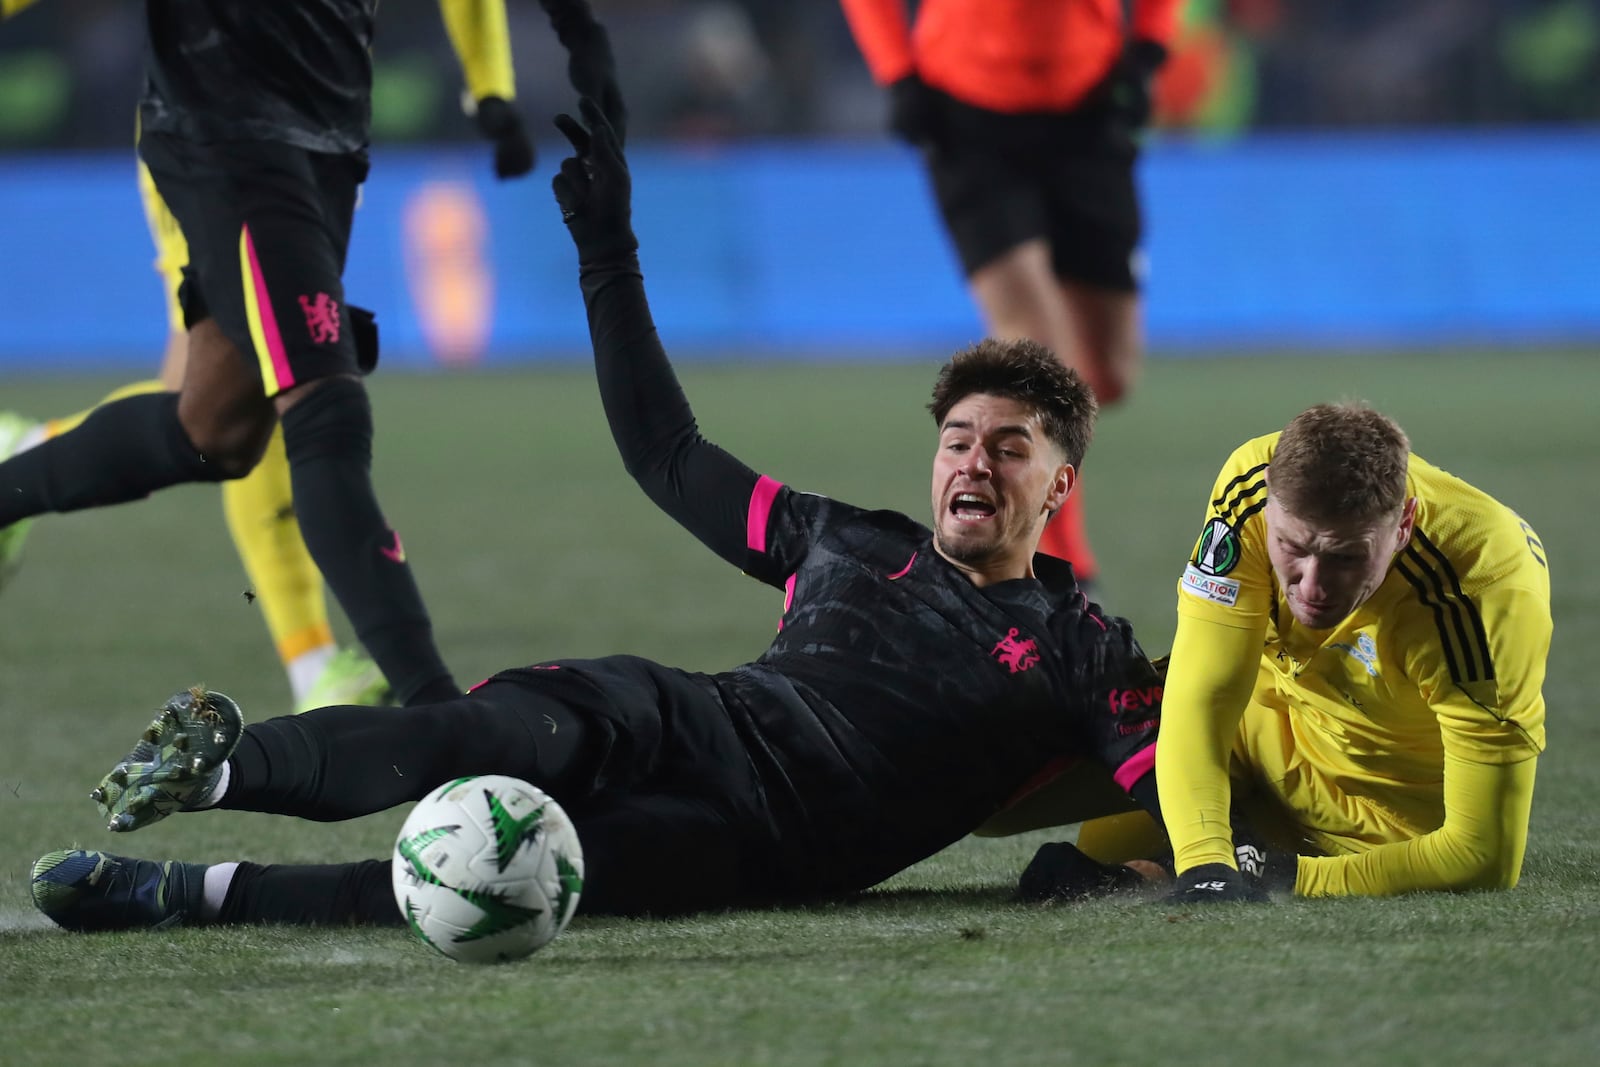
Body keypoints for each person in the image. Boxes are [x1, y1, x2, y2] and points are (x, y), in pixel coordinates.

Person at [30, 100, 1167, 930]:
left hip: (765, 841)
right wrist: (607, 252)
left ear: (1057, 486)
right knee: (477, 734)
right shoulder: (847, 541)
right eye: (959, 439)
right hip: (689, 712)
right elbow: (667, 456)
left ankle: (178, 892)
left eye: (1009, 447)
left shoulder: (1081, 645)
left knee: (490, 874)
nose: (974, 462)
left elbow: (1176, 772)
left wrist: (1164, 870)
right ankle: (223, 770)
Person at [0, 0, 624, 707]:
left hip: (326, 137)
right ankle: (423, 708)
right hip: (226, 133)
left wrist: (490, 88)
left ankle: (18, 461)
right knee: (317, 405)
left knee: (216, 426)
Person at [1058, 402, 1545, 901]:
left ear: (1403, 524)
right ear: (1271, 504)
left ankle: (1242, 844)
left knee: (1099, 865)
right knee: (1064, 783)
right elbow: (1201, 698)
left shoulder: (1482, 588)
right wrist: (1205, 864)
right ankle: (1221, 842)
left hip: (1377, 819)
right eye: (1292, 546)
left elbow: (1481, 854)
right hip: (1265, 730)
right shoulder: (1250, 486)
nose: (1313, 587)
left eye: (1346, 557)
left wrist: (1284, 877)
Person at [838, 0, 1183, 588]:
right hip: (968, 113)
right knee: (1041, 355)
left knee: (1107, 374)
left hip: (1088, 108)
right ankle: (1059, 560)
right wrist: (895, 69)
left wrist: (1149, 47)